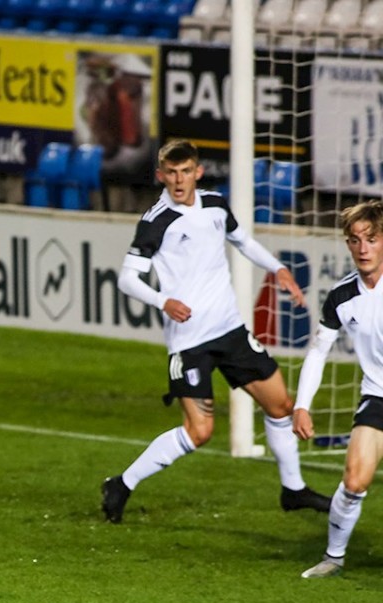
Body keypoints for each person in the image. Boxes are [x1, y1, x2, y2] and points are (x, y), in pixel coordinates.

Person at [101, 140, 331, 523]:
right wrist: (163, 301)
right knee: (199, 431)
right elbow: (127, 279)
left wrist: (277, 268)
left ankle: (293, 489)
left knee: (280, 406)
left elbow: (243, 241)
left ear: (198, 172)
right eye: (171, 173)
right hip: (190, 341)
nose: (179, 180)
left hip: (230, 330)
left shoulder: (215, 205)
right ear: (160, 175)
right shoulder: (156, 221)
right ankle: (121, 484)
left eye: (185, 172)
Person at [295, 201, 383, 578]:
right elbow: (318, 351)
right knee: (354, 479)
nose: (363, 248)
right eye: (355, 240)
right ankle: (333, 558)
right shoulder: (342, 296)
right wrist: (302, 405)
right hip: (378, 394)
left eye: (372, 239)